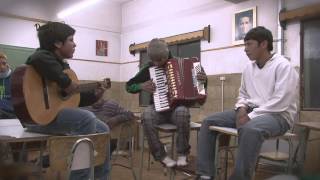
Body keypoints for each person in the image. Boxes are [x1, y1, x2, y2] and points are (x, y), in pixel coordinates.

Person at [196, 26, 298, 180]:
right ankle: (205, 174)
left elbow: (281, 101)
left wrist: (251, 116)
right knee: (208, 122)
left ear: (263, 44)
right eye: (245, 45)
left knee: (250, 129)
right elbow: (243, 94)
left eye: (249, 44)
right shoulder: (248, 68)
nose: (245, 49)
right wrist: (242, 108)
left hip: (279, 116)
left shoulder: (283, 66)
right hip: (251, 111)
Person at [25, 22, 110, 180]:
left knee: (103, 129)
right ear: (57, 43)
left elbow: (71, 100)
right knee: (86, 118)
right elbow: (38, 57)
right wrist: (66, 83)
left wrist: (94, 95)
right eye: (71, 39)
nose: (75, 44)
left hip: (53, 116)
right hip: (36, 118)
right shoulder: (42, 57)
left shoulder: (63, 67)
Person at [126, 38, 207, 168]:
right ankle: (161, 155)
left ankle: (182, 153)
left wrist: (203, 80)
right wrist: (141, 86)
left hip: (176, 110)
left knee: (182, 111)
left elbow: (200, 89)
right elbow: (128, 86)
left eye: (160, 60)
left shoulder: (187, 65)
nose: (157, 64)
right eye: (154, 61)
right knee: (146, 115)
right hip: (158, 110)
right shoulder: (149, 68)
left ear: (167, 54)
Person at [0, 52, 16, 119]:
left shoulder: (16, 78)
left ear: (7, 64)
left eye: (4, 63)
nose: (2, 67)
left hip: (13, 114)